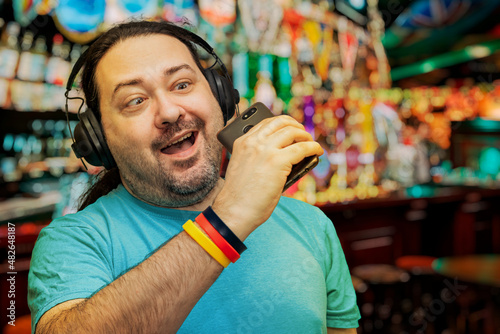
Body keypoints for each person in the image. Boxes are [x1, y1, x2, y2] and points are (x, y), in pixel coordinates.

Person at [28, 20, 360, 334]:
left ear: (221, 97)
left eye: (182, 84)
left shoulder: (311, 225)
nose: (170, 112)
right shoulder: (72, 242)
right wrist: (227, 220)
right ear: (100, 141)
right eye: (135, 100)